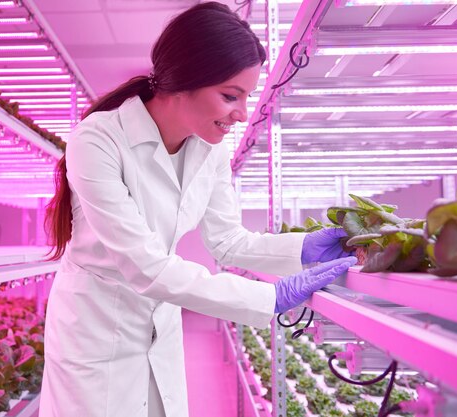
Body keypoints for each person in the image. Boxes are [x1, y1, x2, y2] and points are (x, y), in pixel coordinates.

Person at [39, 3, 355, 417]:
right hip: (97, 333)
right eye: (230, 96)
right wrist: (271, 296)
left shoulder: (210, 150)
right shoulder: (97, 141)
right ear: (185, 81)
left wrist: (301, 251)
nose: (241, 114)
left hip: (160, 325)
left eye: (246, 98)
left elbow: (227, 241)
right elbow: (145, 267)